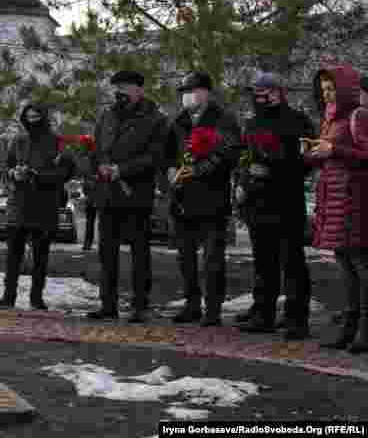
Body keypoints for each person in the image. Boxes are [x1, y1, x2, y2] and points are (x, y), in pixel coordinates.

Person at [234, 72, 315, 340]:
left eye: (264, 91)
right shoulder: (252, 123)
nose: (258, 96)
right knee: (263, 263)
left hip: (286, 201)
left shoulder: (298, 121)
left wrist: (273, 166)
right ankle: (263, 313)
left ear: (278, 92)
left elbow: (306, 163)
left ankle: (296, 319)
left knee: (292, 263)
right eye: (255, 92)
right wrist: (243, 181)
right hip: (257, 202)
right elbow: (243, 156)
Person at [87, 70, 168, 323]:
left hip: (136, 195)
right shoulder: (107, 115)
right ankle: (107, 304)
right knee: (107, 252)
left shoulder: (155, 118)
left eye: (125, 87)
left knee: (139, 253)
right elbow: (96, 147)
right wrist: (99, 165)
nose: (119, 92)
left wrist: (122, 169)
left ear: (139, 90)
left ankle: (140, 305)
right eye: (116, 87)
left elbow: (156, 156)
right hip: (108, 193)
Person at [165, 71, 242, 328]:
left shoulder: (223, 119)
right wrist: (170, 172)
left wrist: (197, 171)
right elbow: (166, 154)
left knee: (212, 259)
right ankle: (192, 303)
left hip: (212, 198)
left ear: (206, 92)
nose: (188, 96)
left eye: (193, 90)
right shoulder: (178, 121)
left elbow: (229, 154)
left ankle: (213, 308)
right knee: (185, 257)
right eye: (185, 92)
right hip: (182, 198)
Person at [305, 65, 368, 352]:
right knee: (345, 267)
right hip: (335, 200)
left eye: (332, 89)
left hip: (356, 201)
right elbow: (330, 159)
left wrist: (335, 151)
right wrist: (312, 154)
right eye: (324, 89)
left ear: (346, 89)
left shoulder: (359, 116)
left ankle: (363, 332)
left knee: (360, 267)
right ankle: (349, 328)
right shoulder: (329, 121)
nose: (327, 94)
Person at [0, 104, 74, 310]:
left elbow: (66, 171)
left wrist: (38, 176)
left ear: (43, 117)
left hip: (44, 205)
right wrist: (13, 174)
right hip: (19, 205)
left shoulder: (57, 141)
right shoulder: (18, 140)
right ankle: (8, 296)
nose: (32, 120)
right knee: (13, 255)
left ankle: (36, 297)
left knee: (41, 256)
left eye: (36, 116)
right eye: (28, 116)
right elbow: (6, 166)